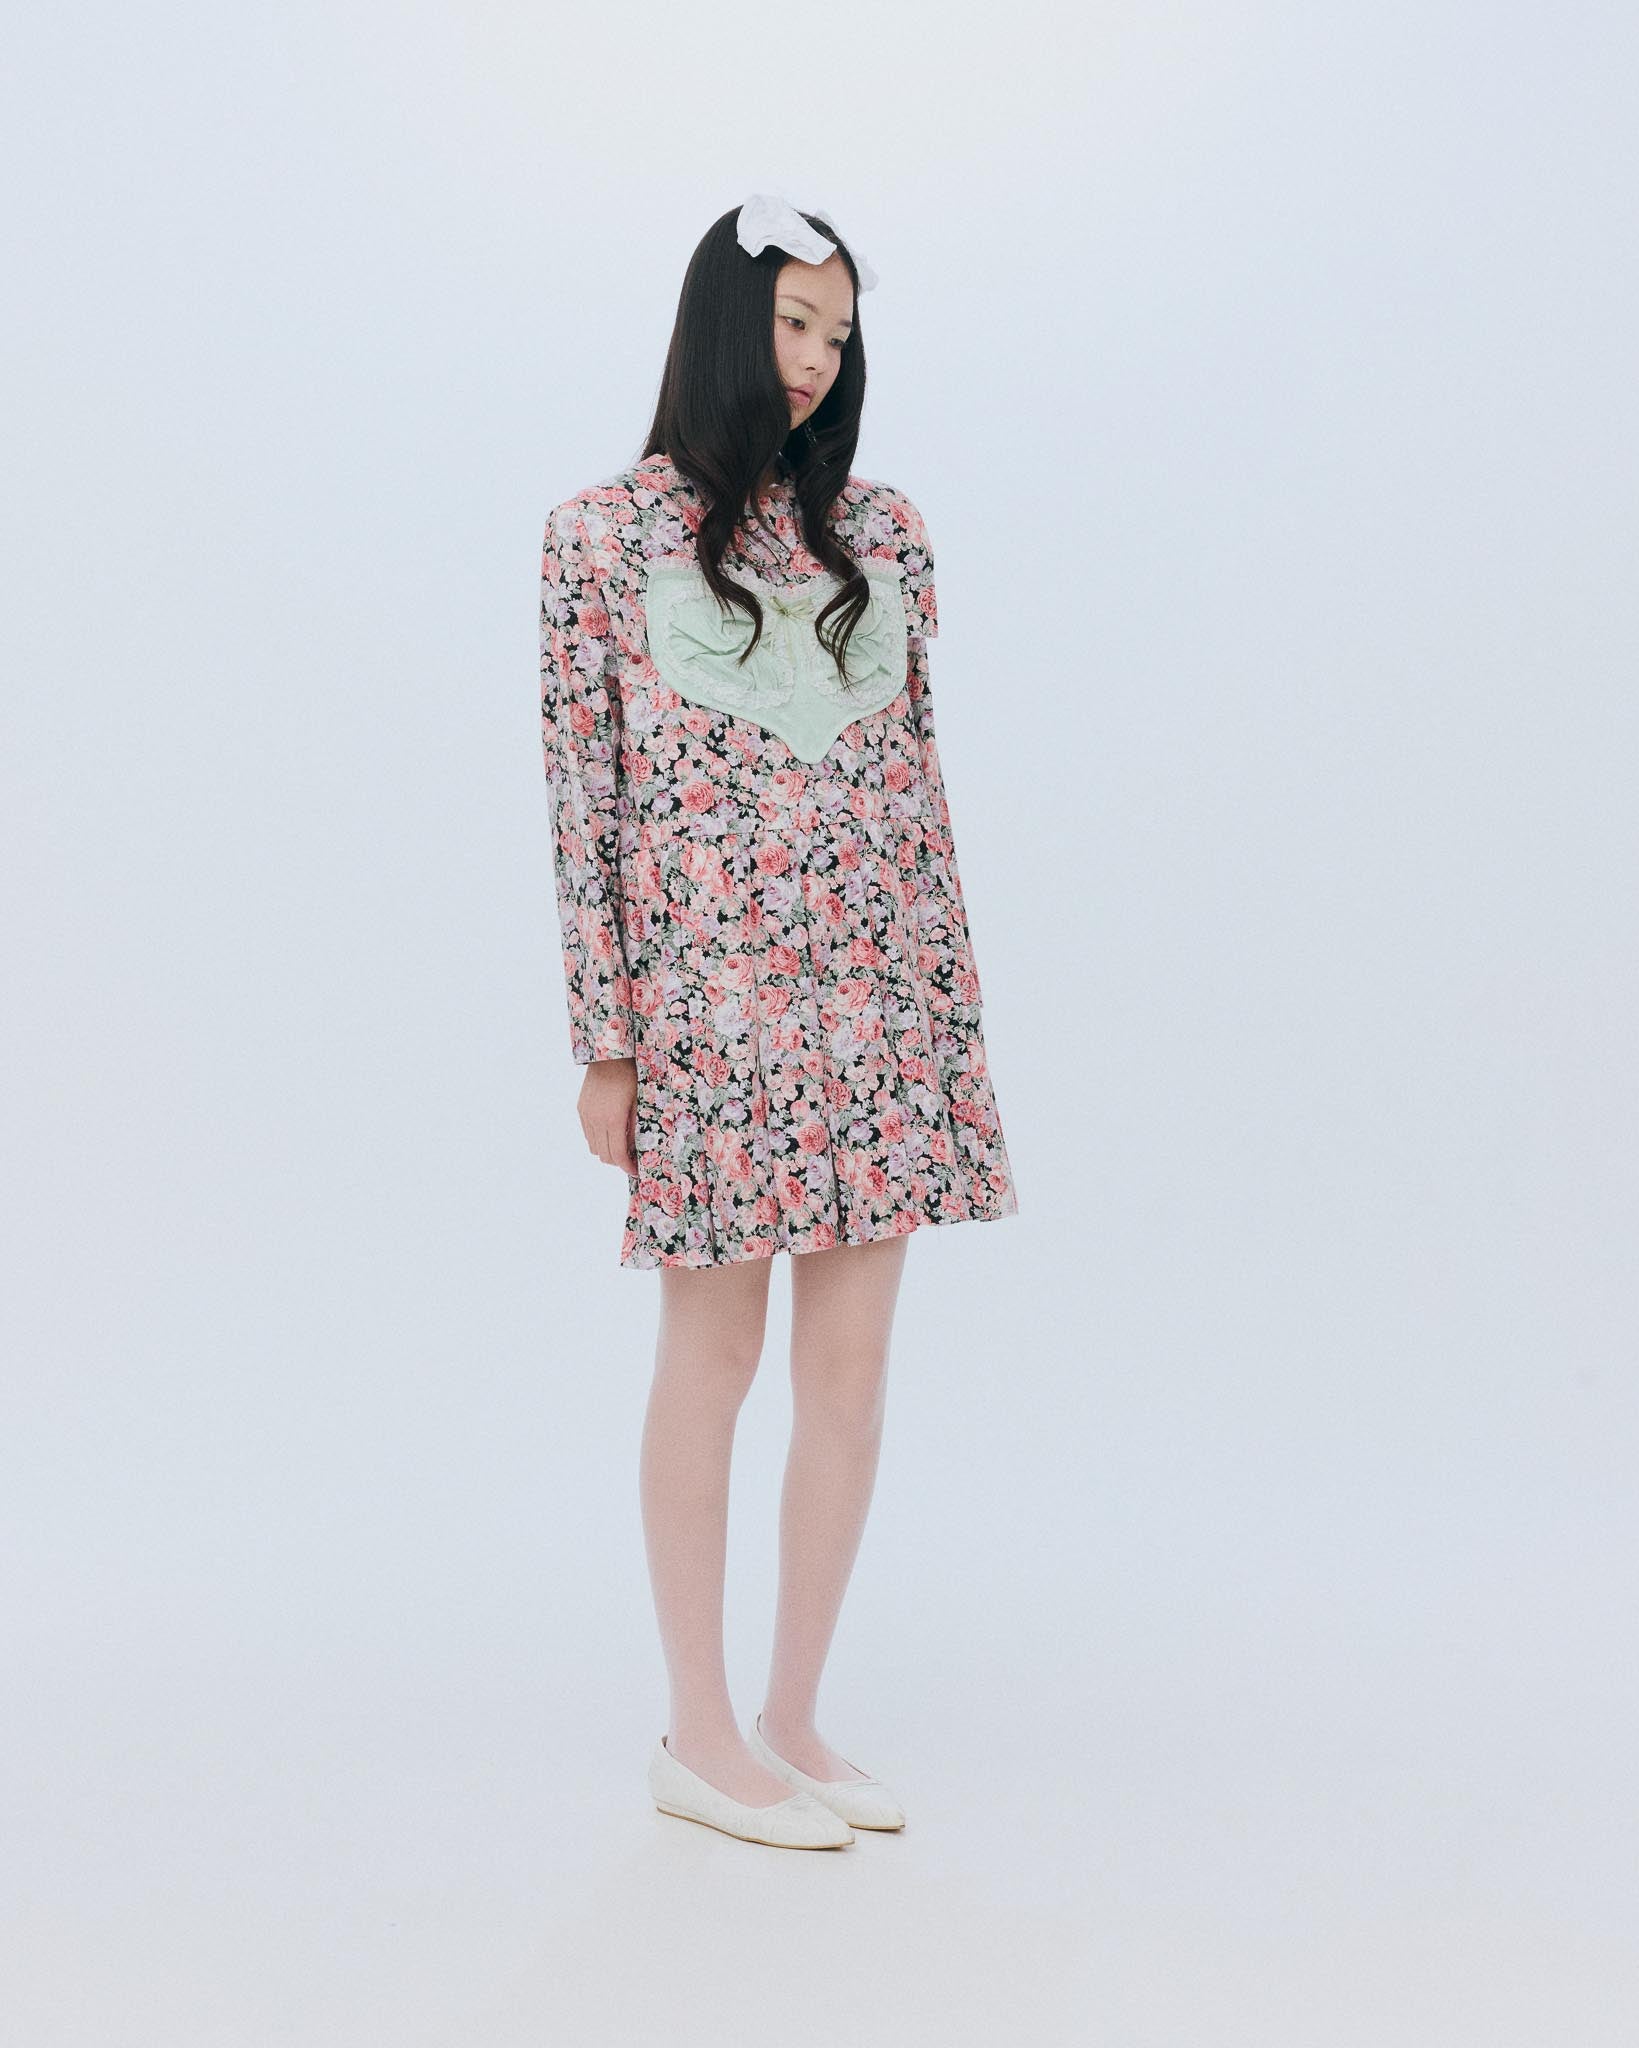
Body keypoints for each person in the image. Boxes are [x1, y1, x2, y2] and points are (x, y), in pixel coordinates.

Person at [538, 194, 1019, 1849]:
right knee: (717, 1356)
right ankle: (696, 1731)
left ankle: (794, 1714)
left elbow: (918, 788)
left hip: (885, 1006)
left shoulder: (885, 533)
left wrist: (945, 1017)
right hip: (714, 1017)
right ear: (725, 324)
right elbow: (585, 805)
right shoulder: (599, 538)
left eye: (839, 331)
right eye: (793, 321)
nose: (815, 357)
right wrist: (608, 1041)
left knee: (853, 1373)